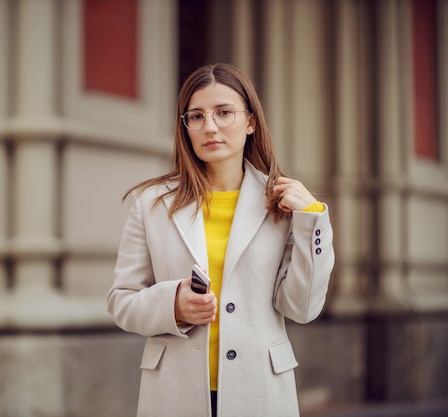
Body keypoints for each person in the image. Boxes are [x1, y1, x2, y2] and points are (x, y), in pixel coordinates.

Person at [107, 63, 334, 417]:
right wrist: (174, 306)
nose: (209, 126)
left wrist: (312, 221)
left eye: (224, 113)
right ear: (185, 128)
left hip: (260, 392)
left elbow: (302, 309)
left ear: (250, 122)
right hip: (173, 394)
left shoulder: (283, 205)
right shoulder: (151, 204)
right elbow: (122, 302)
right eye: (196, 116)